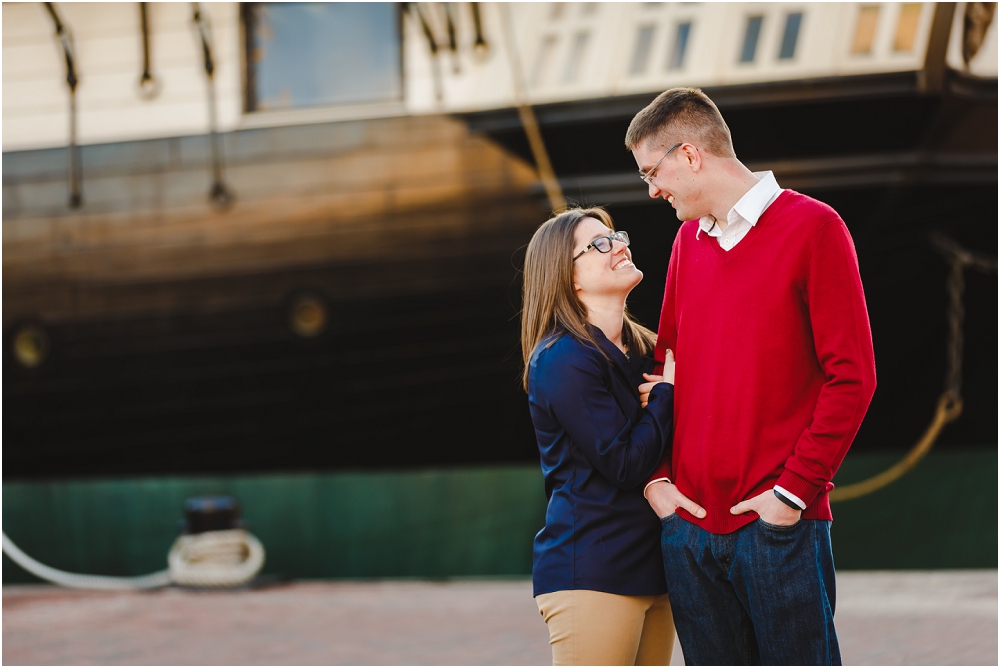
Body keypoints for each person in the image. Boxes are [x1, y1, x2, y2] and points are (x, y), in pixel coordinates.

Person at [625, 88, 877, 665]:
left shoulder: (815, 227)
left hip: (776, 529)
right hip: (688, 528)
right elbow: (666, 365)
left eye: (652, 172)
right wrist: (658, 483)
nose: (651, 191)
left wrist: (791, 496)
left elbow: (853, 376)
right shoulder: (689, 240)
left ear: (689, 155)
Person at [521, 207, 677, 666]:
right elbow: (625, 463)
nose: (620, 245)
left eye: (618, 236)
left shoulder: (647, 350)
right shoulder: (562, 358)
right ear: (567, 278)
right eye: (600, 244)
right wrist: (666, 396)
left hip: (656, 565)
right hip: (593, 569)